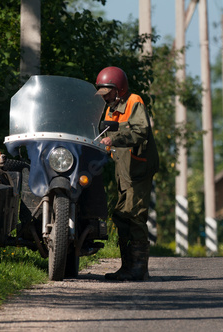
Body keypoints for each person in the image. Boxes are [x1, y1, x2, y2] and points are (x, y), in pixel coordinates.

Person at [95, 66, 159, 281]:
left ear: (119, 89)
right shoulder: (110, 109)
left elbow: (141, 131)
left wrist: (114, 139)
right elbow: (102, 133)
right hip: (123, 171)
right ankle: (127, 268)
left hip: (138, 169)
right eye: (102, 94)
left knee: (134, 216)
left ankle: (139, 270)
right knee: (121, 216)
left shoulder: (134, 102)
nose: (105, 98)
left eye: (108, 93)